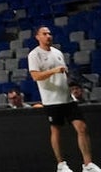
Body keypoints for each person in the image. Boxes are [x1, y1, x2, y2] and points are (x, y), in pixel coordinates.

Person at [27, 25, 100, 172]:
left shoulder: (58, 53)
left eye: (49, 33)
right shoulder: (34, 55)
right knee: (56, 131)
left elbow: (63, 74)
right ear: (38, 37)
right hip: (51, 100)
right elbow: (35, 76)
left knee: (82, 127)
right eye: (44, 34)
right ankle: (61, 165)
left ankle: (87, 165)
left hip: (68, 98)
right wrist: (54, 71)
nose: (48, 36)